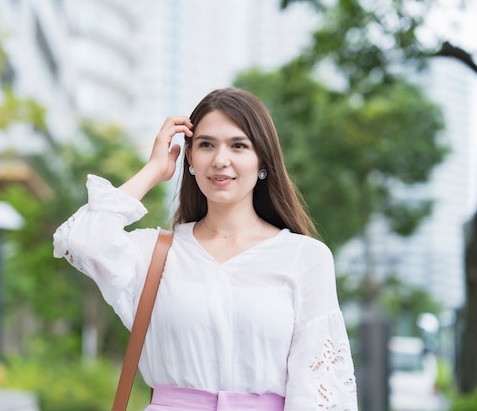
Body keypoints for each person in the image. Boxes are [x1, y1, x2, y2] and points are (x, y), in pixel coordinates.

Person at [53, 88, 358, 411]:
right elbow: (81, 241)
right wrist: (154, 170)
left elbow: (318, 390)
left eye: (238, 145)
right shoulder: (155, 253)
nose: (220, 160)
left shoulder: (304, 257)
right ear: (190, 158)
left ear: (262, 160)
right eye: (206, 145)